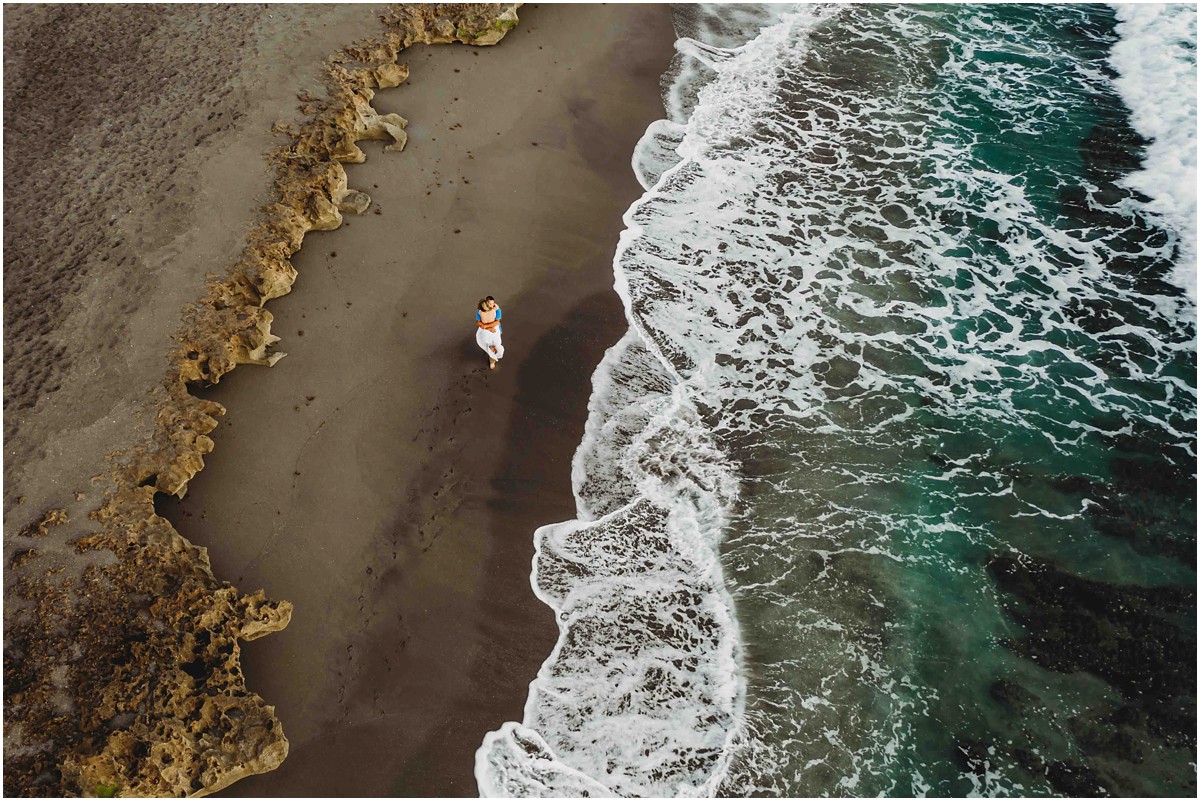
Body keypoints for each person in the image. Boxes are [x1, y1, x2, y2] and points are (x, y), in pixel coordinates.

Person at [475, 296, 504, 369]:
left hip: (493, 329)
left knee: (496, 346)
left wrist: (487, 327)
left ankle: (492, 360)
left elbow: (497, 322)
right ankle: (490, 354)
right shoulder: (480, 312)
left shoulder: (496, 310)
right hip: (485, 330)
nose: (493, 304)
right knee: (487, 345)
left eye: (493, 303)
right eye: (490, 303)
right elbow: (478, 323)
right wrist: (488, 328)